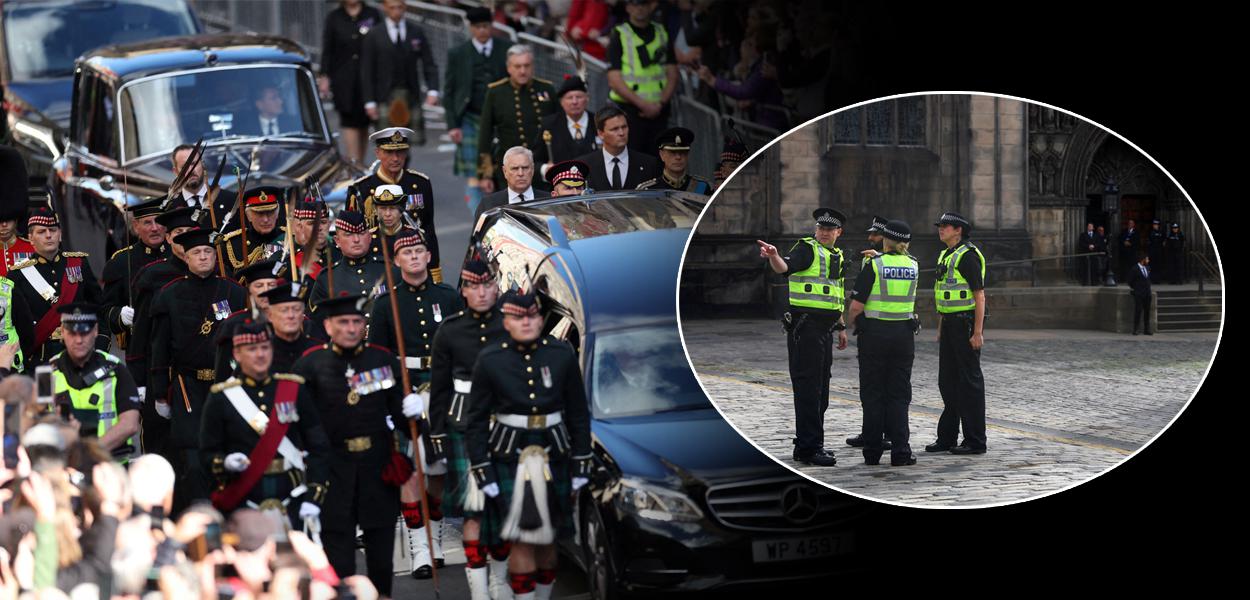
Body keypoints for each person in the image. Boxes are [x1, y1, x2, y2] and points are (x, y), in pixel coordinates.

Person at [292, 293, 423, 596]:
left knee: (380, 556)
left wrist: (414, 412)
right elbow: (295, 421)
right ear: (327, 326)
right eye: (343, 322)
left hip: (377, 468)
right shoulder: (310, 365)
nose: (351, 328)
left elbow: (407, 423)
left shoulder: (382, 359)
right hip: (332, 470)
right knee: (339, 556)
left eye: (357, 322)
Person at [465, 289, 592, 600]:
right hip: (510, 455)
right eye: (518, 318)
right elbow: (477, 420)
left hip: (555, 452)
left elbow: (577, 411)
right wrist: (482, 468)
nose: (527, 323)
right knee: (521, 539)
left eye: (533, 316)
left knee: (549, 541)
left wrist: (581, 460)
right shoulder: (491, 359)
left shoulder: (560, 354)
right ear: (506, 321)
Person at [368, 229, 461, 578]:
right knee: (410, 472)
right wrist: (387, 399)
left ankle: (435, 543)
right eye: (407, 253)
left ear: (428, 255)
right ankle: (420, 551)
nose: (415, 257)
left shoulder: (448, 297)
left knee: (437, 472)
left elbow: (460, 344)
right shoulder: (385, 303)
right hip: (404, 392)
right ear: (396, 260)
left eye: (420, 251)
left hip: (442, 390)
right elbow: (376, 357)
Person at [428, 259, 511, 598]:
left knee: (505, 506)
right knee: (473, 510)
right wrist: (436, 433)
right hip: (463, 424)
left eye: (486, 285)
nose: (480, 291)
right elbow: (440, 386)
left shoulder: (510, 324)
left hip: (506, 423)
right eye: (473, 286)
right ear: (463, 290)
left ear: (496, 287)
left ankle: (499, 579)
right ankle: (478, 588)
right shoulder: (449, 330)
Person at [148, 228, 247, 512]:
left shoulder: (234, 292)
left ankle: (229, 508)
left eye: (207, 252)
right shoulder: (170, 294)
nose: (203, 257)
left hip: (226, 384)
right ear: (186, 257)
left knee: (229, 447)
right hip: (187, 385)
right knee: (192, 455)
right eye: (196, 253)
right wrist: (158, 392)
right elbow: (160, 346)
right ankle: (199, 511)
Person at [200, 318, 331, 529]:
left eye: (265, 347)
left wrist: (314, 495)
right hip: (244, 496)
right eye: (252, 349)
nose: (260, 354)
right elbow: (207, 454)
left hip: (290, 495)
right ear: (236, 354)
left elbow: (318, 446)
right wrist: (225, 463)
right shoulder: (221, 398)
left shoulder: (294, 389)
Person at [756, 208, 849, 466]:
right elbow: (785, 268)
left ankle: (811, 443)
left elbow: (835, 294)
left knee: (822, 390)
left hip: (825, 329)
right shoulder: (807, 248)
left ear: (838, 232)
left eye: (829, 230)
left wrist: (841, 326)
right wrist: (774, 256)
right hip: (806, 328)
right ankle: (809, 448)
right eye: (821, 228)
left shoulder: (836, 255)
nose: (823, 233)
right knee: (809, 389)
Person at [844, 220, 918, 466]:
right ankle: (901, 452)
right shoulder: (914, 265)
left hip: (874, 335)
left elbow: (856, 307)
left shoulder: (875, 265)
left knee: (873, 394)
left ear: (885, 239)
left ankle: (872, 452)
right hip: (903, 336)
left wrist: (852, 322)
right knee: (899, 395)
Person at [9, 206, 105, 367]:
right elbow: (12, 323)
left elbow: (99, 308)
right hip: (39, 359)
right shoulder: (18, 274)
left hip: (79, 355)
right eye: (41, 232)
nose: (48, 235)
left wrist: (101, 346)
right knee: (46, 393)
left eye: (53, 230)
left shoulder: (79, 263)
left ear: (60, 234)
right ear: (30, 238)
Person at [927, 212, 988, 455]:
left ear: (958, 230)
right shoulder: (947, 254)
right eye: (940, 225)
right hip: (951, 324)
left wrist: (978, 332)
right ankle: (947, 437)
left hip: (965, 324)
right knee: (948, 382)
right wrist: (941, 328)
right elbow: (944, 295)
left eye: (945, 226)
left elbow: (979, 295)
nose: (941, 229)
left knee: (969, 384)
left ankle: (975, 440)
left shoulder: (968, 256)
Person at [48, 302, 141, 460]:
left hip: (110, 467)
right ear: (62, 332)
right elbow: (36, 421)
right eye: (72, 333)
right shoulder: (47, 372)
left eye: (84, 333)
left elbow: (130, 424)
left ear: (96, 331)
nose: (79, 340)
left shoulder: (116, 370)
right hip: (64, 470)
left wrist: (89, 453)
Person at [349, 127, 441, 281]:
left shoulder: (420, 184)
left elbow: (428, 230)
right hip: (376, 268)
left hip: (414, 265)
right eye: (389, 152)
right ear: (378, 153)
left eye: (400, 152)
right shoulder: (361, 189)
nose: (396, 158)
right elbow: (353, 237)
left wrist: (435, 273)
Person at [443, 6, 510, 217]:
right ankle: (478, 217)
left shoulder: (505, 49)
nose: (483, 31)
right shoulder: (458, 53)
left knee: (500, 168)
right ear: (471, 28)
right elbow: (450, 90)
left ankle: (502, 213)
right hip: (470, 118)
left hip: (499, 119)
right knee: (475, 172)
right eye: (478, 27)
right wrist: (453, 124)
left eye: (486, 26)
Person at [477, 44, 557, 193]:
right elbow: (485, 135)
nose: (522, 71)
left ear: (532, 66)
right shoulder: (496, 92)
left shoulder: (546, 89)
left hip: (542, 168)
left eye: (526, 66)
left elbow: (559, 127)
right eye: (517, 66)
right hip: (510, 169)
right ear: (509, 68)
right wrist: (485, 174)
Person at [361, 0, 440, 146]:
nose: (396, 11)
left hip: (411, 94)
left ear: (405, 7)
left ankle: (403, 168)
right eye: (392, 8)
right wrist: (369, 101)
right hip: (384, 95)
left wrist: (433, 90)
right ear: (385, 8)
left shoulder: (416, 31)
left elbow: (429, 63)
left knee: (406, 143)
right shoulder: (374, 34)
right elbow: (367, 70)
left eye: (399, 7)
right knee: (387, 144)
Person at [607, 0, 679, 155]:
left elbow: (673, 73)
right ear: (627, 7)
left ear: (652, 5)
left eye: (643, 3)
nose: (639, 7)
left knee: (659, 164)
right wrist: (643, 105)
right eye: (634, 3)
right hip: (630, 112)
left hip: (660, 111)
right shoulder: (619, 34)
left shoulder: (662, 32)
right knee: (633, 163)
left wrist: (659, 104)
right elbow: (614, 79)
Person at [845, 214, 891, 450]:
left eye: (875, 234)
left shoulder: (888, 260)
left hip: (880, 329)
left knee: (880, 386)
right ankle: (871, 431)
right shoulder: (869, 259)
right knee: (870, 386)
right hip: (870, 328)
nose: (870, 237)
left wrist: (852, 319)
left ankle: (882, 434)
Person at [319, 0, 383, 165]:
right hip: (344, 78)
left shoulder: (372, 14)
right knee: (349, 120)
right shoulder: (334, 17)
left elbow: (380, 44)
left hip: (369, 78)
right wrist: (324, 75)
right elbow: (328, 49)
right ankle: (354, 164)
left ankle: (359, 163)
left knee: (363, 123)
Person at [101, 198, 167, 357]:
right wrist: (120, 316)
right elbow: (105, 310)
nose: (154, 228)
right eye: (147, 223)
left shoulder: (180, 255)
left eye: (159, 222)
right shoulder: (121, 261)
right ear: (136, 227)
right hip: (141, 348)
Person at [307, 210, 388, 321]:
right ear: (337, 241)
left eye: (361, 233)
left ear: (369, 237)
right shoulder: (327, 278)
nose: (356, 240)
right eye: (348, 235)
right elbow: (316, 324)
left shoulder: (388, 269)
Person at [213, 258, 284, 382]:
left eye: (271, 285)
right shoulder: (232, 325)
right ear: (250, 291)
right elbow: (223, 375)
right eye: (259, 286)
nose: (266, 291)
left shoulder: (291, 322)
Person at [576, 105, 661, 191]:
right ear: (601, 134)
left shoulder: (649, 164)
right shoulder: (584, 166)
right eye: (614, 129)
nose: (621, 133)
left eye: (624, 127)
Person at [534, 75, 597, 179]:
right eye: (569, 98)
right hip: (561, 188)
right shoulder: (549, 124)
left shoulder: (598, 122)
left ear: (587, 99)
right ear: (561, 102)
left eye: (579, 97)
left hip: (594, 186)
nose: (574, 102)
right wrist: (545, 169)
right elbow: (536, 160)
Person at [219, 186, 287, 277]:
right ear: (249, 216)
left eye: (270, 212)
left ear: (277, 213)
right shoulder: (232, 244)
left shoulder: (289, 238)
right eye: (259, 214)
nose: (266, 219)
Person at [259, 281, 322, 373]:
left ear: (302, 314)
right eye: (284, 310)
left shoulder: (318, 351)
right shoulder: (260, 354)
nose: (291, 315)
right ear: (270, 315)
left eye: (296, 309)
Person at [475, 147, 551, 223]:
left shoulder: (550, 201)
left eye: (525, 168)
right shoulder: (488, 204)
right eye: (515, 168)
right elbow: (478, 234)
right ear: (505, 171)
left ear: (532, 170)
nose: (520, 173)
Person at [636, 126, 713, 194]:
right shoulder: (647, 191)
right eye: (672, 152)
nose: (678, 157)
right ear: (662, 155)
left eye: (682, 152)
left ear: (688, 154)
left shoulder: (703, 188)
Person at [169, 144, 232, 226]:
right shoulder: (169, 210)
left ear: (203, 164)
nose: (191, 170)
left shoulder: (229, 200)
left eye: (193, 163)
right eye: (184, 167)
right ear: (175, 171)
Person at [0, 147, 35, 277]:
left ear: (16, 219)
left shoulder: (31, 250)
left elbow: (45, 293)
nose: (4, 225)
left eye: (8, 219)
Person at [1128, 253, 1153, 335]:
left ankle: (1147, 329)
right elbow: (1130, 281)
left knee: (1147, 311)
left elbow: (1148, 279)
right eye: (1147, 259)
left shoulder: (1148, 268)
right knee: (1138, 311)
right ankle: (1136, 329)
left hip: (1147, 293)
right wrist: (1136, 289)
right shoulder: (1135, 269)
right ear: (1143, 260)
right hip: (1139, 293)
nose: (1148, 261)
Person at [1118, 218, 1139, 283]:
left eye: (1131, 223)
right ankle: (1123, 279)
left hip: (1132, 253)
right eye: (1129, 223)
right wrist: (1124, 242)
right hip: (1124, 252)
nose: (1130, 224)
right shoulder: (1124, 231)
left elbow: (1137, 242)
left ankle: (1132, 279)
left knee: (1131, 266)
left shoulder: (1136, 232)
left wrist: (1130, 243)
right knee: (1124, 266)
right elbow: (1119, 239)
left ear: (1134, 224)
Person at [1147, 219, 1164, 283]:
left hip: (1159, 251)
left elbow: (1163, 241)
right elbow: (1149, 241)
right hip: (1152, 251)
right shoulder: (1150, 232)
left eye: (1156, 225)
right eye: (1154, 225)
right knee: (1152, 265)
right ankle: (1152, 279)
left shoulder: (1161, 232)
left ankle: (1158, 279)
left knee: (1158, 266)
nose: (1155, 226)